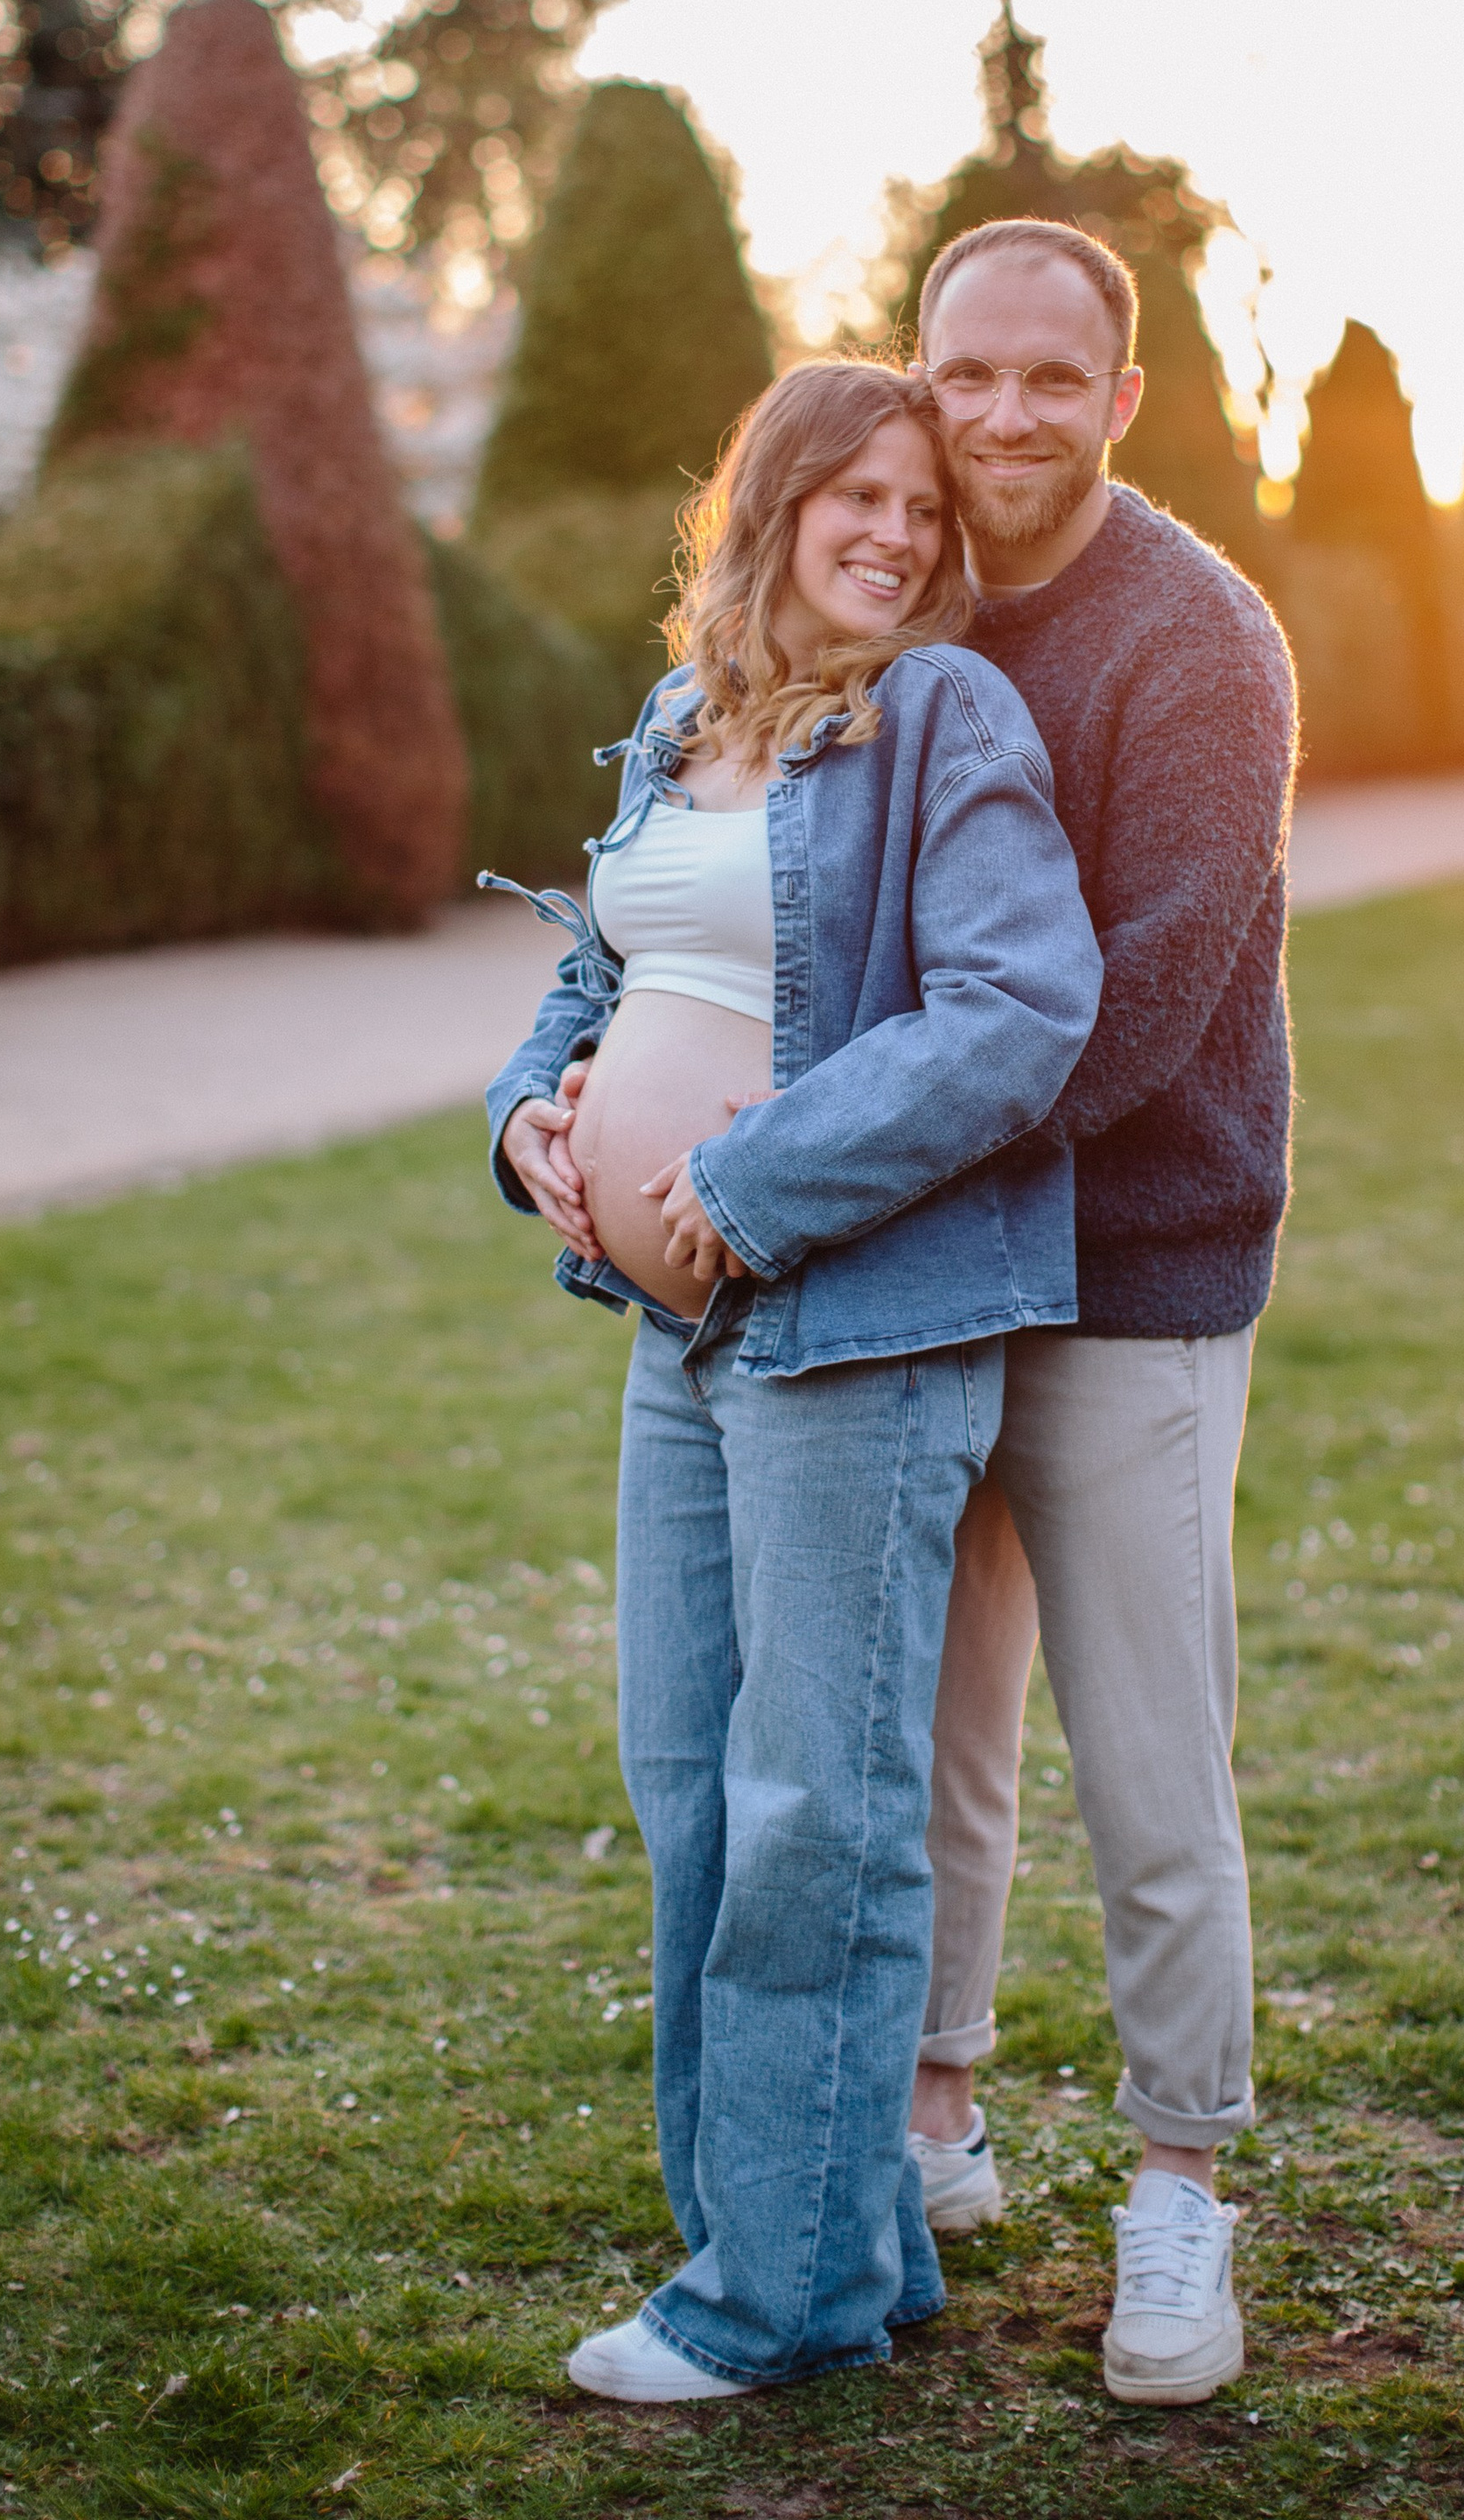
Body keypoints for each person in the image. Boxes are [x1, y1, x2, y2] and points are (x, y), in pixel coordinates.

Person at [484, 360, 1102, 2404]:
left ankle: (775, 2300)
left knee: (809, 1815)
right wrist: (527, 1127)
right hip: (679, 1335)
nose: (900, 536)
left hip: (853, 1322)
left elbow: (1023, 1010)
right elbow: (600, 980)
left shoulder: (943, 714)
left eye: (924, 511)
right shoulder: (686, 723)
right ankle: (817, 2233)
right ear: (769, 503)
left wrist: (742, 1182)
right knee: (690, 1793)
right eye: (860, 497)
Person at [899, 219, 1298, 2410]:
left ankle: (1175, 2187)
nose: (1005, 419)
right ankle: (932, 2120)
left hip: (1131, 1264)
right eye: (971, 375)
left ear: (1119, 399)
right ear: (924, 373)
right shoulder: (897, 585)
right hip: (919, 1264)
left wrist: (841, 1156)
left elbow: (1140, 1004)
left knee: (1145, 1751)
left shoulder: (1200, 637)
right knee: (937, 1732)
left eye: (1053, 380)